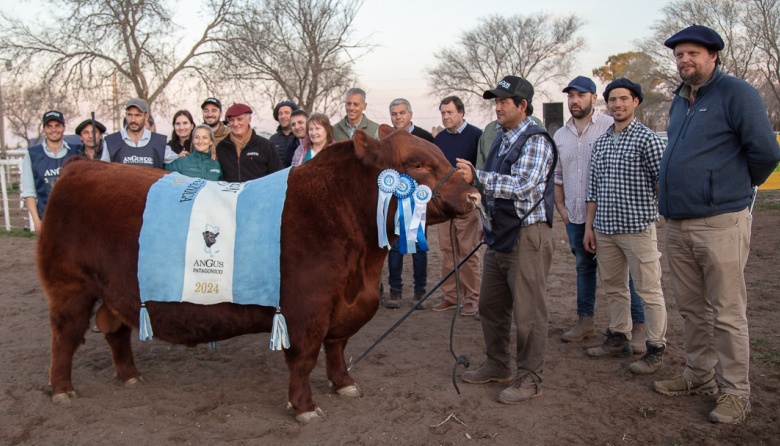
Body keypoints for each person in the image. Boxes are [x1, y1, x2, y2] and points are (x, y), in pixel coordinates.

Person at [654, 25, 780, 424]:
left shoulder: (737, 94)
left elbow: (764, 153)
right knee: (693, 309)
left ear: (713, 56)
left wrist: (729, 190)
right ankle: (699, 375)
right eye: (678, 55)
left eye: (692, 53)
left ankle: (735, 392)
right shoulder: (679, 100)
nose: (684, 60)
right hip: (678, 223)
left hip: (720, 221)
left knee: (727, 312)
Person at [455, 76, 556, 404]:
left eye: (504, 102)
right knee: (490, 306)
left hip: (528, 236)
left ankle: (530, 378)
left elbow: (524, 185)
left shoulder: (536, 139)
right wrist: (487, 219)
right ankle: (498, 364)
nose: (497, 107)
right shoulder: (499, 137)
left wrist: (477, 176)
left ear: (522, 106)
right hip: (500, 234)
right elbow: (495, 190)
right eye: (495, 101)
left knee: (529, 313)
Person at [553, 76, 648, 353]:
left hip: (609, 215)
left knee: (625, 273)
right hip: (576, 214)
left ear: (594, 98)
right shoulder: (560, 134)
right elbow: (557, 176)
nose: (574, 101)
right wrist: (561, 208)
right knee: (584, 268)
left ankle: (639, 327)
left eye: (580, 95)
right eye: (570, 96)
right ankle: (585, 322)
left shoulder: (611, 126)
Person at [582, 78, 667, 375]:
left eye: (623, 99)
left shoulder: (648, 139)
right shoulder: (602, 141)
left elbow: (662, 183)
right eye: (613, 99)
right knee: (615, 288)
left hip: (637, 228)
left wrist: (653, 214)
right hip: (605, 229)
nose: (617, 104)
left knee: (649, 290)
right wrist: (589, 228)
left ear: (635, 102)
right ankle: (619, 336)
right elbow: (593, 189)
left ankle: (656, 347)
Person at [431, 96, 483, 317]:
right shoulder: (439, 139)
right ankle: (452, 296)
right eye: (443, 113)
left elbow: (481, 170)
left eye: (450, 112)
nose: (446, 117)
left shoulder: (476, 135)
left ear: (461, 112)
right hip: (444, 205)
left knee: (468, 252)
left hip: (466, 205)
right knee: (447, 251)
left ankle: (472, 299)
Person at [383, 98, 432, 309]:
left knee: (419, 247)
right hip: (394, 201)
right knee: (394, 247)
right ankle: (395, 292)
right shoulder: (387, 139)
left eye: (402, 113)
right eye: (394, 114)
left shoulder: (425, 137)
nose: (398, 117)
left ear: (410, 114)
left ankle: (420, 292)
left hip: (418, 200)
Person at [21, 111, 78, 232]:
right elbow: (29, 191)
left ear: (64, 127)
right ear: (44, 129)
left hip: (74, 218)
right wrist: (36, 221)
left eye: (57, 125)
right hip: (46, 218)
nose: (54, 130)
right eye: (49, 126)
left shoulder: (76, 152)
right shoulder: (32, 155)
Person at [215, 103, 282, 182]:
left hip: (258, 193)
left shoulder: (266, 146)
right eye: (232, 120)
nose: (235, 124)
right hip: (230, 194)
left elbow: (278, 177)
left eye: (239, 119)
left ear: (249, 119)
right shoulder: (221, 147)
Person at [102, 98, 173, 168]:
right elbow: (102, 171)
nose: (133, 120)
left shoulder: (159, 142)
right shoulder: (111, 142)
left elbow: (177, 164)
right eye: (129, 115)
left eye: (137, 115)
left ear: (146, 117)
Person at [269, 100, 299, 167]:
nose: (283, 116)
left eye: (287, 113)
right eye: (280, 113)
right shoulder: (272, 140)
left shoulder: (301, 138)